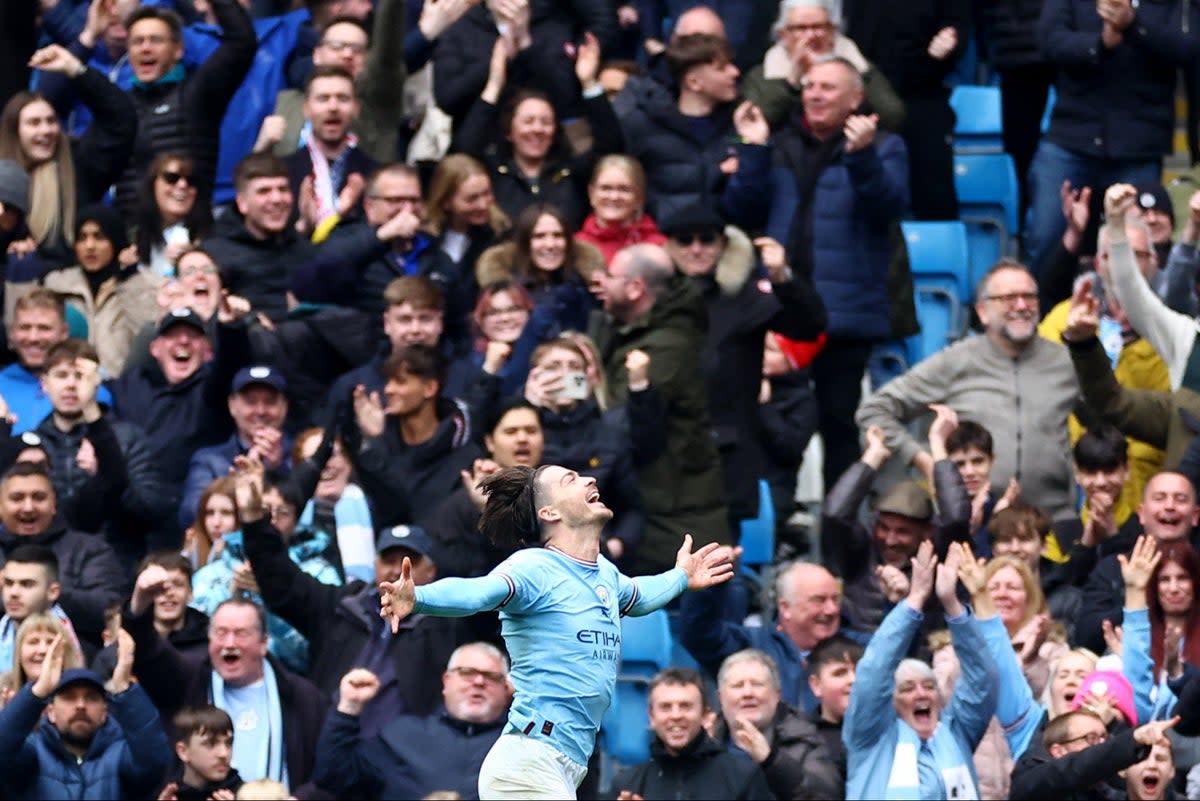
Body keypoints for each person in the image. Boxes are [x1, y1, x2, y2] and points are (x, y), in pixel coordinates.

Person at [378, 463, 735, 798]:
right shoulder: (535, 567)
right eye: (571, 480)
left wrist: (680, 578)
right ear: (549, 513)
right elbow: (479, 592)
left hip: (565, 763)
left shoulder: (607, 575)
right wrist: (420, 597)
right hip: (528, 761)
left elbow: (640, 597)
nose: (590, 480)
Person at [764, 55, 910, 492]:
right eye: (809, 86)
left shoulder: (884, 146)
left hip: (843, 316)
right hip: (783, 308)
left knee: (839, 428)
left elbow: (887, 206)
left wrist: (862, 157)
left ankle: (839, 537)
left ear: (856, 98)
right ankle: (785, 528)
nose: (814, 94)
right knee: (775, 422)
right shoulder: (779, 143)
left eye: (828, 87)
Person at [857, 260, 1080, 520]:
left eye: (1029, 296)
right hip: (977, 522)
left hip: (1054, 521)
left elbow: (1108, 414)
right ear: (983, 311)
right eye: (1009, 298)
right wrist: (924, 460)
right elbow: (874, 411)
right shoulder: (957, 361)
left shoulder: (1066, 362)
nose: (1022, 306)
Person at [662, 202, 826, 529]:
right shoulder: (652, 294)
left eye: (706, 239)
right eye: (685, 240)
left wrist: (781, 276)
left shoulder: (744, 297)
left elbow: (809, 326)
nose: (696, 248)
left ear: (723, 244)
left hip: (728, 456)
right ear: (668, 247)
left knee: (719, 565)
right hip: (665, 456)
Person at [1022, 0, 1198, 270]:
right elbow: (1048, 41)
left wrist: (1133, 25)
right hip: (1071, 138)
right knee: (1045, 241)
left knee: (1141, 248)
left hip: (1139, 145)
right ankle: (1040, 310)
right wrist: (1100, 43)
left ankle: (1132, 313)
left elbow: (1187, 48)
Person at [589, 243, 730, 573]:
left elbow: (620, 419)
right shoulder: (634, 333)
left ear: (635, 287)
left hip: (672, 515)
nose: (600, 281)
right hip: (661, 505)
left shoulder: (664, 347)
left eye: (610, 275)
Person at [124, 588, 327, 792]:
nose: (229, 644)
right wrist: (139, 606)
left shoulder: (303, 697)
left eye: (241, 633)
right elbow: (150, 653)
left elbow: (328, 773)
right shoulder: (190, 680)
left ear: (264, 642)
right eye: (221, 633)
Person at [843, 541, 997, 800]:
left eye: (928, 686)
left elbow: (984, 680)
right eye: (907, 688)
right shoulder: (870, 737)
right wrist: (914, 601)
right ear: (889, 701)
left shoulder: (956, 732)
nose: (921, 694)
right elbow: (875, 671)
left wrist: (952, 605)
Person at [932, 552, 1069, 800]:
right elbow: (943, 702)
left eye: (1013, 587)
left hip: (1027, 780)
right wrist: (973, 649)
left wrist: (1030, 663)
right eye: (992, 587)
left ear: (1030, 597)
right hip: (971, 783)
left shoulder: (1052, 648)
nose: (1002, 594)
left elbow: (1055, 708)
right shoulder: (950, 650)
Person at [454, 33, 623, 228]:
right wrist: (494, 85)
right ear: (509, 131)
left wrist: (589, 83)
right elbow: (463, 154)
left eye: (546, 122)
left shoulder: (571, 173)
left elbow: (610, 148)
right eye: (528, 121)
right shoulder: (493, 173)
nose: (537, 129)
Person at [821, 415, 970, 635]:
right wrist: (872, 458)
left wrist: (937, 447)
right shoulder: (860, 553)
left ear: (926, 532)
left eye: (902, 532)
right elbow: (835, 514)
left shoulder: (939, 556)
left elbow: (956, 517)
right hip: (860, 651)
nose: (890, 540)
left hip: (922, 659)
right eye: (883, 527)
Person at [35, 338, 175, 566]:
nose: (71, 385)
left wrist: (109, 473)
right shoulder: (33, 444)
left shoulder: (127, 438)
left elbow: (152, 511)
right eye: (62, 375)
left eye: (81, 376)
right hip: (50, 564)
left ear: (96, 383)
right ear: (44, 383)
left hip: (118, 560)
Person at [312, 643, 513, 799]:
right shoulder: (401, 735)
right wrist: (349, 707)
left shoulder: (521, 745)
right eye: (467, 673)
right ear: (446, 681)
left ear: (507, 689)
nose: (478, 682)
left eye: (491, 676)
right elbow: (332, 776)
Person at [113, 0, 255, 214]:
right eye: (137, 41)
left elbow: (241, 42)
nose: (145, 48)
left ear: (178, 49)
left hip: (192, 234)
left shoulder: (199, 95)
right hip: (133, 236)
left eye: (156, 40)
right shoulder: (117, 107)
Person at [191, 473, 341, 674]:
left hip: (295, 683)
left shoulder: (320, 573)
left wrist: (271, 596)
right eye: (264, 511)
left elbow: (313, 650)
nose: (272, 520)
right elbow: (198, 640)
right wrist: (234, 594)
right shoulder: (211, 573)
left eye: (283, 512)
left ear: (297, 519)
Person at [0, 44, 135, 267]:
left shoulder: (78, 167)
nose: (46, 130)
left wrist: (75, 69)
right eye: (34, 123)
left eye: (51, 121)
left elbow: (120, 120)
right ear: (14, 132)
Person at [0, 630, 171, 800]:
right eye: (69, 698)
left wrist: (125, 690)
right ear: (50, 712)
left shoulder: (121, 755)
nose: (81, 705)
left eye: (91, 698)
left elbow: (154, 761)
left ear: (105, 711)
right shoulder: (33, 751)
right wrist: (37, 692)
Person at [618, 33, 770, 225]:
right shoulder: (644, 125)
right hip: (662, 240)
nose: (735, 72)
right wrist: (715, 172)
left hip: (723, 240)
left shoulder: (739, 125)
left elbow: (748, 209)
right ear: (694, 82)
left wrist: (753, 149)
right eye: (722, 68)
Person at [521, 339, 643, 565]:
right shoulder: (519, 429)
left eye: (574, 367)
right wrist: (529, 408)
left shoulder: (608, 432)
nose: (564, 374)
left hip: (599, 556)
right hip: (535, 557)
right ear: (534, 376)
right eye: (553, 367)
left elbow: (631, 507)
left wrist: (615, 546)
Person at [345, 343, 482, 528]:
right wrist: (372, 441)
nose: (388, 390)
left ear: (430, 388)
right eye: (388, 381)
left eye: (400, 381)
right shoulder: (377, 447)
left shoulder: (465, 456)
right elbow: (385, 508)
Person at [288, 163, 434, 333]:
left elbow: (457, 324)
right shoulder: (345, 240)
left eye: (414, 201)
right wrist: (381, 237)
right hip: (363, 350)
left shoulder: (432, 248)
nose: (408, 209)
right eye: (396, 200)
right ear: (369, 206)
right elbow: (310, 282)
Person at [0, 462, 124, 655]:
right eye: (17, 498)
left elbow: (109, 608)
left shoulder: (89, 548)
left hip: (75, 666)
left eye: (39, 498)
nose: (28, 507)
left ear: (54, 504)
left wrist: (46, 592)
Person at [610, 665, 774, 800]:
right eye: (666, 707)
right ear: (651, 717)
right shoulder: (627, 785)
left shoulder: (742, 776)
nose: (676, 716)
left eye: (686, 706)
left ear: (704, 715)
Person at [743, 0, 905, 132]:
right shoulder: (762, 73)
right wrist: (792, 81)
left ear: (833, 31)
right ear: (783, 34)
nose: (811, 35)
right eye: (801, 28)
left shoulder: (858, 63)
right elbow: (752, 125)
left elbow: (893, 116)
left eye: (819, 27)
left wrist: (851, 73)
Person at [711, 648, 842, 799]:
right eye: (738, 685)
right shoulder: (705, 748)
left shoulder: (805, 741)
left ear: (777, 695)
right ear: (721, 698)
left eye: (757, 684)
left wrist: (771, 761)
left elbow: (825, 796)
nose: (748, 693)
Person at [204, 153, 314, 324]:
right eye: (264, 191)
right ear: (242, 203)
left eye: (283, 189)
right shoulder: (213, 256)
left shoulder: (306, 251)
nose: (277, 199)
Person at [179, 364, 291, 531]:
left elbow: (306, 512)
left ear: (284, 407)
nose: (260, 411)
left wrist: (276, 470)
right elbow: (191, 515)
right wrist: (239, 484)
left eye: (270, 402)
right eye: (250, 402)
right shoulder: (209, 460)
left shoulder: (301, 454)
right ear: (232, 406)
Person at [418, 154, 510, 353]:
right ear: (446, 202)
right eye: (472, 199)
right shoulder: (423, 238)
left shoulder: (501, 236)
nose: (484, 204)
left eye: (487, 194)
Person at [476, 203, 603, 336]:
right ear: (525, 242)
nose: (550, 244)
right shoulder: (506, 293)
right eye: (539, 236)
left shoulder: (587, 289)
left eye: (558, 235)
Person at [0, 289, 113, 435]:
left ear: (64, 332)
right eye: (25, 327)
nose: (33, 337)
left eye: (44, 328)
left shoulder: (90, 388)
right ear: (12, 333)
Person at [1010, 707, 1180, 799]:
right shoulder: (1033, 778)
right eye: (1091, 738)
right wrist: (1133, 739)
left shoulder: (1106, 789)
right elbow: (1076, 768)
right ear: (1058, 751)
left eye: (1104, 738)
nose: (1101, 745)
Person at [284, 65, 376, 235]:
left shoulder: (375, 175)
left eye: (342, 98)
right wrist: (302, 226)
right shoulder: (282, 173)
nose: (333, 107)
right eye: (323, 99)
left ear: (356, 108)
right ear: (306, 109)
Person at [290, 426, 374, 582]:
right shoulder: (286, 517)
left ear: (348, 462)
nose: (325, 464)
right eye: (316, 457)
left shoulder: (377, 509)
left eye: (331, 455)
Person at [574, 155, 667, 268]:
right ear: (591, 194)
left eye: (624, 189)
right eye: (606, 188)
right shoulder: (575, 247)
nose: (614, 197)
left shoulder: (659, 246)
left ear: (639, 197)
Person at [132, 152, 213, 278]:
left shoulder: (214, 236)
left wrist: (196, 257)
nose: (182, 185)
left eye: (191, 180)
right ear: (153, 184)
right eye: (172, 178)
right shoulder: (132, 235)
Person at [806, 635, 864, 791]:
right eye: (840, 673)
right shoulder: (804, 739)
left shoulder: (886, 732)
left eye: (860, 671)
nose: (853, 679)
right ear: (816, 685)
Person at [0, 544, 72, 671]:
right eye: (8, 583)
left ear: (53, 592)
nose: (14, 592)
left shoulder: (70, 644)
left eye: (27, 584)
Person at [159, 706, 244, 801]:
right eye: (211, 744)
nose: (224, 754)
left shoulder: (248, 793)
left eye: (229, 743)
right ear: (183, 751)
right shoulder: (168, 793)